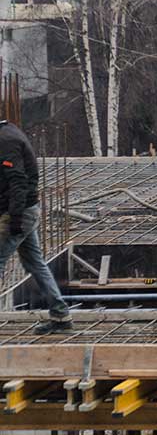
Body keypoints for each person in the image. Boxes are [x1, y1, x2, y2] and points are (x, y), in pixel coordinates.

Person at [0, 120, 71, 334]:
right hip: (26, 210)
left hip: (20, 213)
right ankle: (61, 315)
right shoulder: (8, 132)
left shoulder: (6, 140)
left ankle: (60, 314)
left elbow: (18, 182)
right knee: (35, 263)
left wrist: (15, 219)